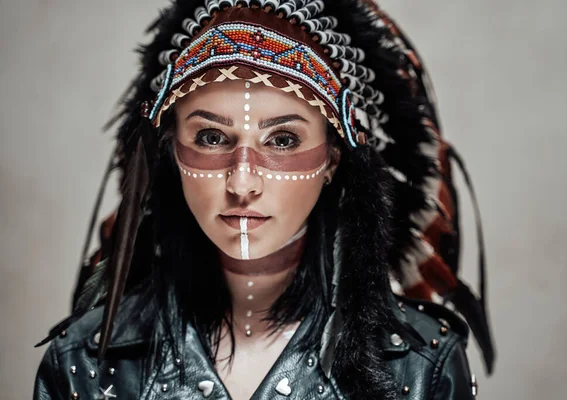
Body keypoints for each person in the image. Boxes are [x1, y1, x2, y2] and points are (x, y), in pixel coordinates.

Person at [34, 1, 495, 398]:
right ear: (171, 150)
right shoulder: (86, 363)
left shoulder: (419, 367)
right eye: (212, 136)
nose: (242, 182)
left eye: (283, 141)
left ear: (334, 159)